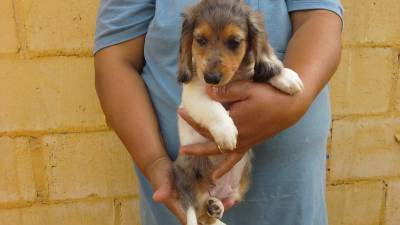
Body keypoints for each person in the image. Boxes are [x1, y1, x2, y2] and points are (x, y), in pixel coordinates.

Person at [93, 0, 343, 224]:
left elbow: (320, 18)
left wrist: (290, 105)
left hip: (289, 195)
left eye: (233, 43)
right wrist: (155, 163)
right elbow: (115, 60)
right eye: (201, 41)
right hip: (182, 184)